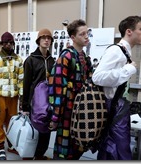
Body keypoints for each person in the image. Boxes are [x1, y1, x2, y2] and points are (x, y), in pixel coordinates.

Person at [92, 15, 141, 160]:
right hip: (114, 109)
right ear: (129, 31)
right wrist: (128, 70)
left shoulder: (124, 52)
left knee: (113, 150)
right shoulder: (116, 51)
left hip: (119, 108)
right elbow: (97, 77)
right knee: (119, 151)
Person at [48, 19, 92, 160]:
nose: (86, 36)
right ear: (73, 37)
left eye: (87, 33)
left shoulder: (85, 58)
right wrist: (55, 116)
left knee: (77, 146)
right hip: (67, 111)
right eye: (82, 34)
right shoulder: (66, 56)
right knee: (64, 148)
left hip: (80, 111)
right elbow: (57, 88)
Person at [0, 32, 23, 160]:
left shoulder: (18, 59)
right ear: (2, 44)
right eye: (6, 42)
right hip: (0, 97)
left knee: (12, 122)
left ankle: (12, 144)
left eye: (11, 42)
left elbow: (21, 80)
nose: (8, 44)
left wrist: (22, 98)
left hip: (13, 97)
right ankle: (0, 147)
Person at [21, 28, 55, 160]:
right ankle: (29, 153)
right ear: (38, 40)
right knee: (33, 129)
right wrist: (25, 106)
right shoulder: (30, 60)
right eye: (43, 38)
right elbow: (26, 83)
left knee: (46, 128)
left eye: (49, 38)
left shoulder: (53, 61)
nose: (46, 40)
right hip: (34, 101)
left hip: (49, 100)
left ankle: (40, 154)